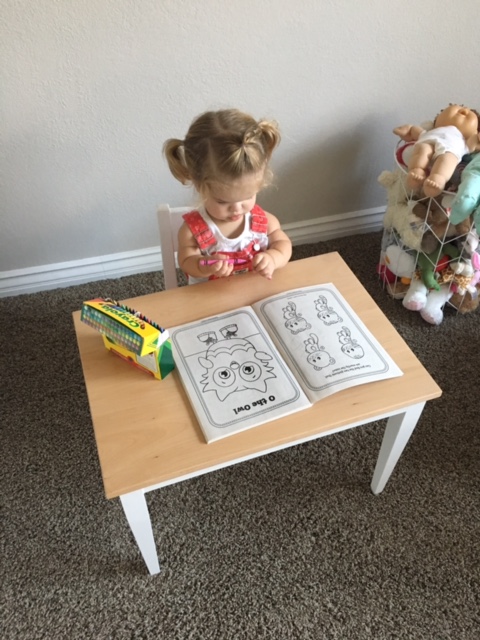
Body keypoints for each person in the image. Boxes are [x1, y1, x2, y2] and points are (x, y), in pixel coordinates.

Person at [163, 108, 292, 284]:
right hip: (210, 298)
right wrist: (204, 265)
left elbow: (284, 246)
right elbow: (186, 262)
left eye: (247, 197)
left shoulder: (265, 223)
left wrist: (273, 258)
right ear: (200, 186)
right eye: (222, 201)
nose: (237, 208)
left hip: (256, 291)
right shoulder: (191, 231)